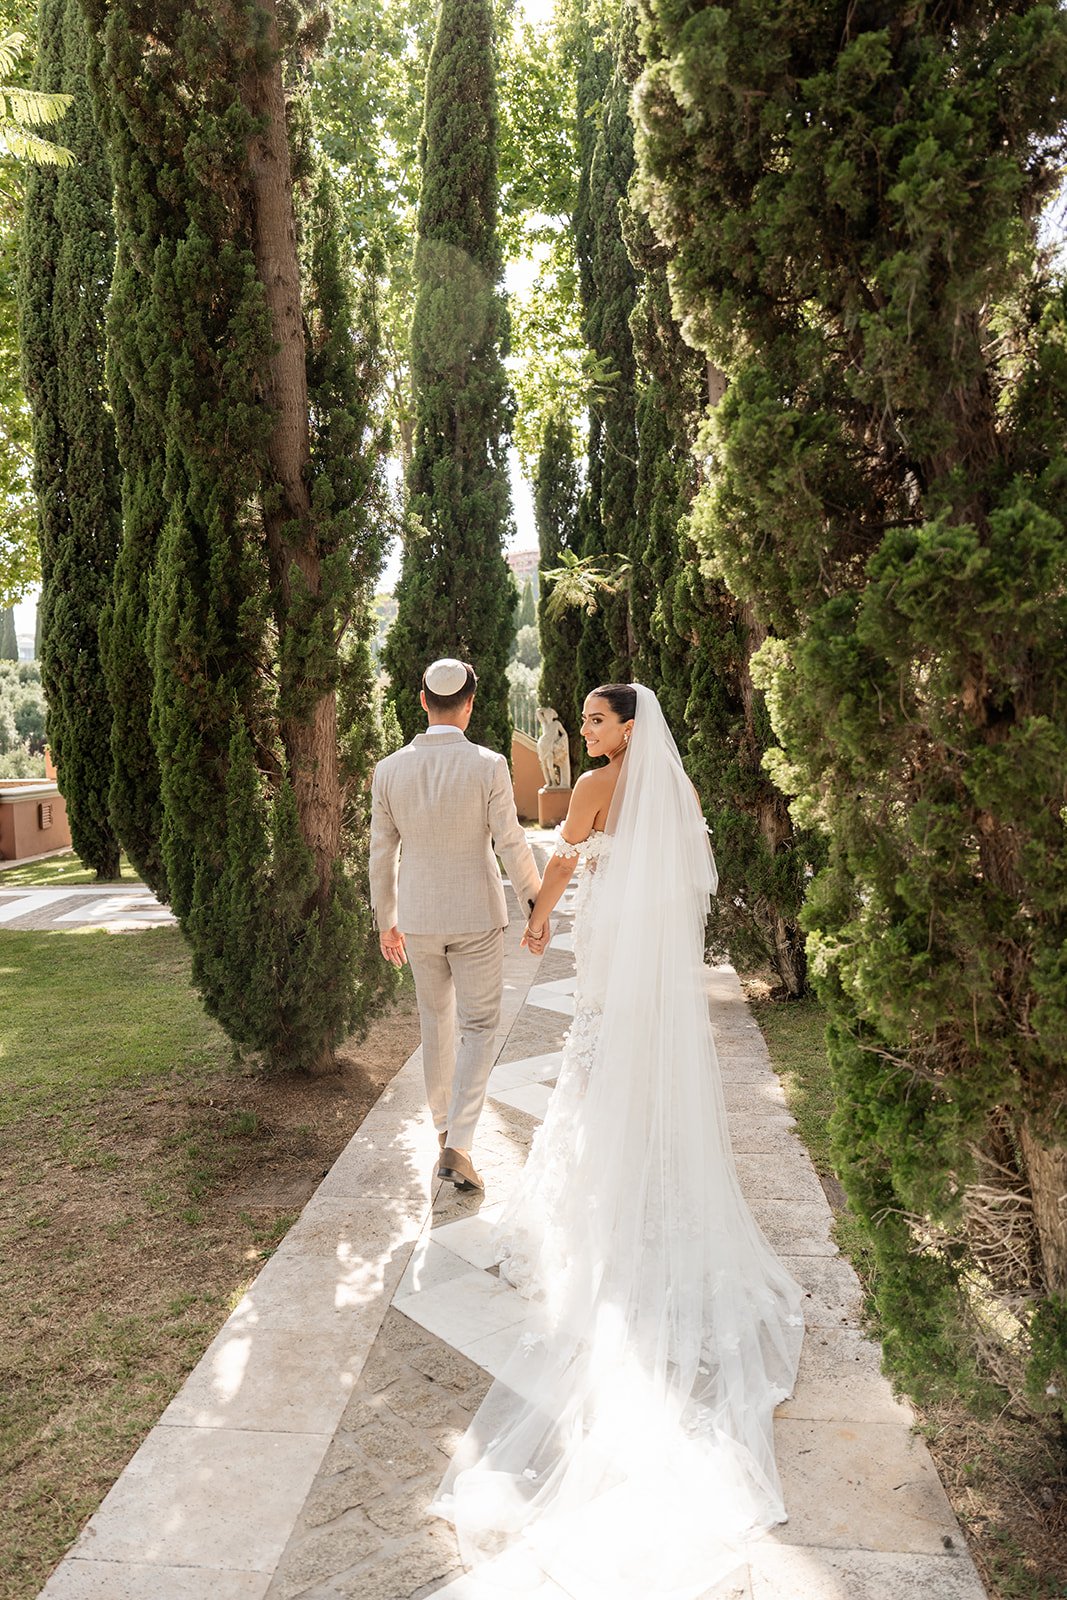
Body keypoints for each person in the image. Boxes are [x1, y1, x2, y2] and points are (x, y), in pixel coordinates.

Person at [434, 683, 806, 1599]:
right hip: (646, 950)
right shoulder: (668, 788)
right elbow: (689, 868)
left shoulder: (601, 786)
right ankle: (645, 1178)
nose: (587, 733)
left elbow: (561, 866)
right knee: (624, 1057)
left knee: (594, 1065)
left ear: (627, 727)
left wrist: (537, 916)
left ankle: (604, 1194)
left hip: (605, 941)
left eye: (596, 721)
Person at [369, 658, 543, 1194]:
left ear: (423, 701)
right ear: (469, 705)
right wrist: (535, 902)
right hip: (477, 914)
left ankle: (445, 1128)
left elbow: (381, 852)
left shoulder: (388, 769)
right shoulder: (488, 764)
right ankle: (459, 1145)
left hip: (419, 918)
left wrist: (387, 920)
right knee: (479, 1027)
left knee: (434, 1023)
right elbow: (510, 840)